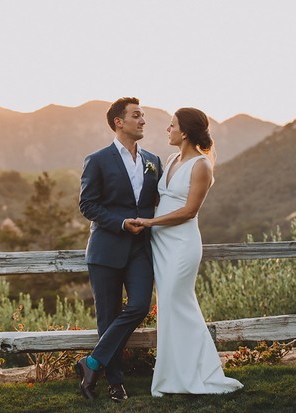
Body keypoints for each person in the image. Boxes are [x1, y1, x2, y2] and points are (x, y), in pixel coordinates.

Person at [130, 107, 243, 397]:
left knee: (178, 304)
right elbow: (159, 197)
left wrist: (150, 222)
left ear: (185, 132)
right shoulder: (170, 159)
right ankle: (175, 374)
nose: (167, 130)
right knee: (169, 309)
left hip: (181, 245)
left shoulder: (201, 165)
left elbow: (189, 211)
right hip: (161, 244)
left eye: (172, 126)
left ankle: (200, 373)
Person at [77, 97, 162, 402]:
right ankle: (114, 383)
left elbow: (159, 202)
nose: (143, 121)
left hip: (140, 250)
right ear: (119, 122)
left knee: (139, 306)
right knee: (107, 317)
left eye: (143, 116)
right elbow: (87, 204)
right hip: (106, 250)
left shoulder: (154, 160)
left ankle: (90, 363)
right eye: (137, 116)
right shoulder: (97, 159)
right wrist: (122, 222)